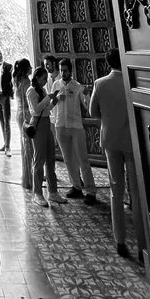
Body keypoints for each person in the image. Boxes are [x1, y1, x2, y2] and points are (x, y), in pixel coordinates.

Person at [90, 50, 145, 259]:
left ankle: (120, 241)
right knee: (137, 193)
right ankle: (143, 245)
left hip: (110, 140)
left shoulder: (100, 83)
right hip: (132, 140)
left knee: (116, 190)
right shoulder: (133, 81)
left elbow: (93, 112)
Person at [52, 58, 97, 205]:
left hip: (76, 126)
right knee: (68, 159)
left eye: (65, 70)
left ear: (70, 71)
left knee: (82, 159)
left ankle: (90, 191)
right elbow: (51, 105)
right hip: (60, 125)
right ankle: (76, 186)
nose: (63, 73)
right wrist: (56, 98)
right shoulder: (55, 85)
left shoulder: (77, 86)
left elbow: (86, 106)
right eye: (61, 70)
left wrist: (87, 95)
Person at [26, 66, 68, 208]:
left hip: (46, 123)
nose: (45, 82)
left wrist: (55, 100)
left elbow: (46, 109)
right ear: (37, 78)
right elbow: (35, 110)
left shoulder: (42, 90)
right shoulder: (31, 91)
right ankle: (37, 193)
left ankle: (53, 192)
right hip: (37, 126)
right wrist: (47, 99)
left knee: (51, 158)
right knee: (39, 159)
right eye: (43, 79)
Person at [13, 58, 33, 191]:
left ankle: (27, 176)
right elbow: (27, 102)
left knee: (24, 146)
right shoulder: (26, 81)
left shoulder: (16, 80)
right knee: (29, 147)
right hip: (26, 114)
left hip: (19, 113)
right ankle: (29, 178)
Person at [0, 49, 14, 156]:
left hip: (5, 96)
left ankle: (8, 147)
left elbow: (11, 81)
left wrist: (10, 94)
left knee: (7, 121)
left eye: (1, 53)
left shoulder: (9, 66)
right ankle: (5, 144)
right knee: (1, 121)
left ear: (4, 55)